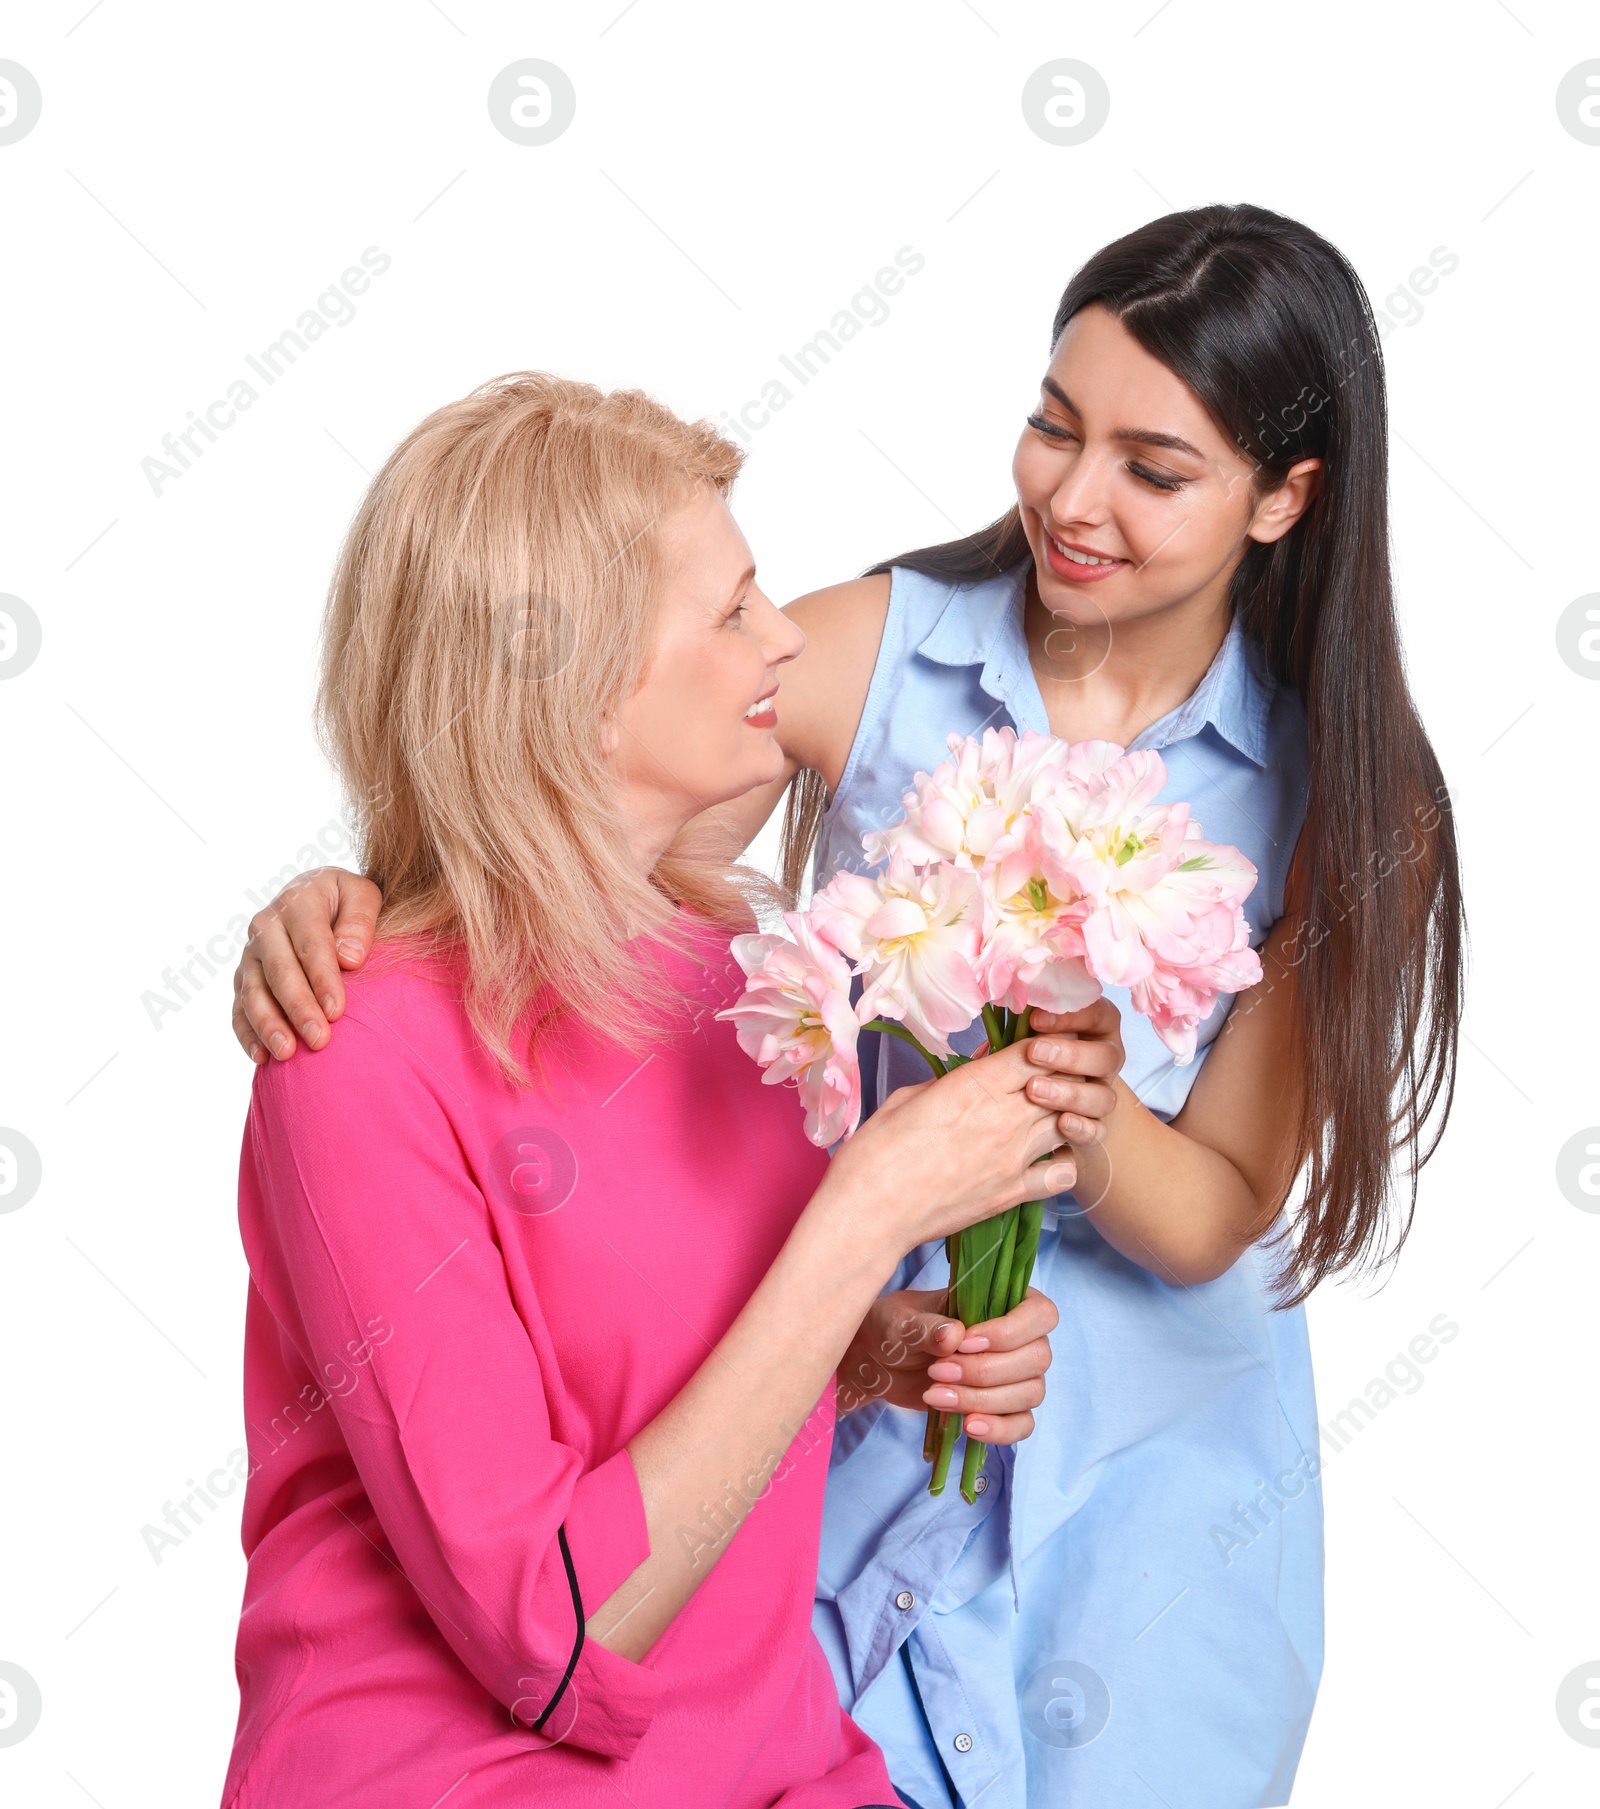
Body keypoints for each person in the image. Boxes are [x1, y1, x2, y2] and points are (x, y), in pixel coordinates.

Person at [232, 205, 1464, 1808]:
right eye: (1050, 426)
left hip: (1137, 1464)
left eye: (1156, 471)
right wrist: (346, 909)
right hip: (818, 1478)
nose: (1074, 501)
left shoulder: (1349, 795)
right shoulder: (874, 657)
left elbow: (1216, 1205)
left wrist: (1049, 1106)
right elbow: (553, 747)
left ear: (1286, 498)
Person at [219, 373, 1119, 1808]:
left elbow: (659, 1350)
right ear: (564, 689)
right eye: (733, 609)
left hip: (771, 1762)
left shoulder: (725, 975)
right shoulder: (353, 1055)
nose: (786, 636)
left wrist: (875, 1348)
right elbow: (558, 1635)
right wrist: (873, 1205)